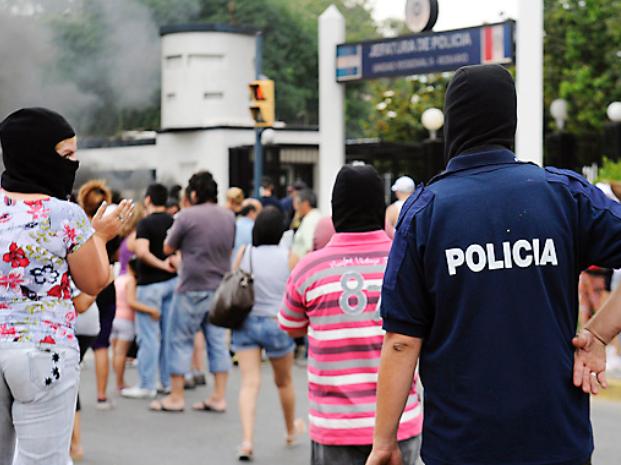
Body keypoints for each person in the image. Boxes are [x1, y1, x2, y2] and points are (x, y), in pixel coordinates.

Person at [365, 64, 620, 465]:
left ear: (452, 122)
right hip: (556, 441)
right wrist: (599, 335)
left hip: (463, 446)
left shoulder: (425, 212)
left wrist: (384, 441)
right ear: (509, 120)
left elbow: (402, 341)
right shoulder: (563, 194)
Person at [0, 107, 131, 465]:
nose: (74, 163)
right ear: (38, 154)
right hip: (43, 353)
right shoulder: (63, 214)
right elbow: (94, 281)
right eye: (66, 154)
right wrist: (101, 237)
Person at [279, 164, 422, 465]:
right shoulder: (406, 260)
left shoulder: (310, 267)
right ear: (380, 207)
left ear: (335, 209)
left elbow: (291, 327)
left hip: (335, 425)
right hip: (400, 421)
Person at [150, 171, 234, 412]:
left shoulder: (187, 216)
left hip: (192, 286)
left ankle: (176, 397)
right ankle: (218, 396)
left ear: (193, 194)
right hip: (219, 288)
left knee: (179, 340)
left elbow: (168, 247)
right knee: (217, 342)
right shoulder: (228, 216)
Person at [231, 207, 303, 460]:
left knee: (249, 382)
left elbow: (235, 281)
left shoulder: (245, 253)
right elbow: (295, 293)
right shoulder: (290, 257)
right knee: (283, 381)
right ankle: (290, 430)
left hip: (246, 321)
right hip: (277, 323)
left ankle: (247, 441)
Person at [122, 183, 177, 399]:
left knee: (148, 337)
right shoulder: (174, 221)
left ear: (148, 200)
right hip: (172, 282)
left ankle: (146, 384)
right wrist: (169, 265)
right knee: (168, 334)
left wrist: (160, 264)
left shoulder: (145, 223)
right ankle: (166, 381)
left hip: (150, 284)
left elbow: (142, 252)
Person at [77, 180, 120, 410]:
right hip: (108, 280)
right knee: (102, 344)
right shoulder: (113, 228)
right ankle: (102, 395)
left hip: (85, 283)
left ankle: (73, 398)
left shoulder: (80, 226)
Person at [111, 259, 157, 392]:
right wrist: (151, 310)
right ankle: (120, 383)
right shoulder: (131, 281)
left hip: (114, 317)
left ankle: (119, 381)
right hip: (126, 320)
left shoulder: (119, 279)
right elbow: (131, 302)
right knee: (121, 354)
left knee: (116, 353)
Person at [288, 188, 322, 270]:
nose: (295, 207)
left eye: (297, 203)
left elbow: (310, 248)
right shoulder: (314, 216)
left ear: (305, 204)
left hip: (304, 270)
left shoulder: (310, 221)